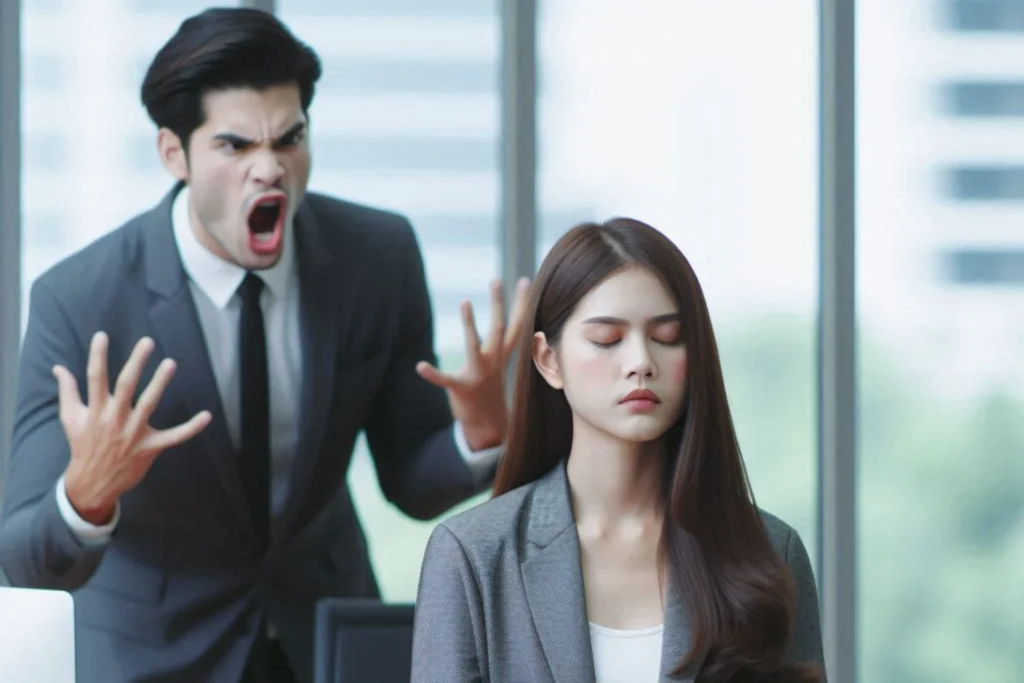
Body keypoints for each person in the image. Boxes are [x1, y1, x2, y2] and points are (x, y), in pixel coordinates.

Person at [0, 8, 527, 683]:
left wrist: (478, 435)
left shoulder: (377, 257)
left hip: (326, 639)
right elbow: (24, 556)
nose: (270, 169)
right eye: (235, 145)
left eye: (289, 139)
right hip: (155, 653)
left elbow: (411, 483)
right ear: (173, 153)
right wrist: (86, 495)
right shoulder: (79, 299)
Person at [410, 218, 827, 683]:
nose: (641, 363)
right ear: (549, 359)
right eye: (607, 340)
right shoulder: (472, 555)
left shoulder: (770, 550)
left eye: (666, 338)